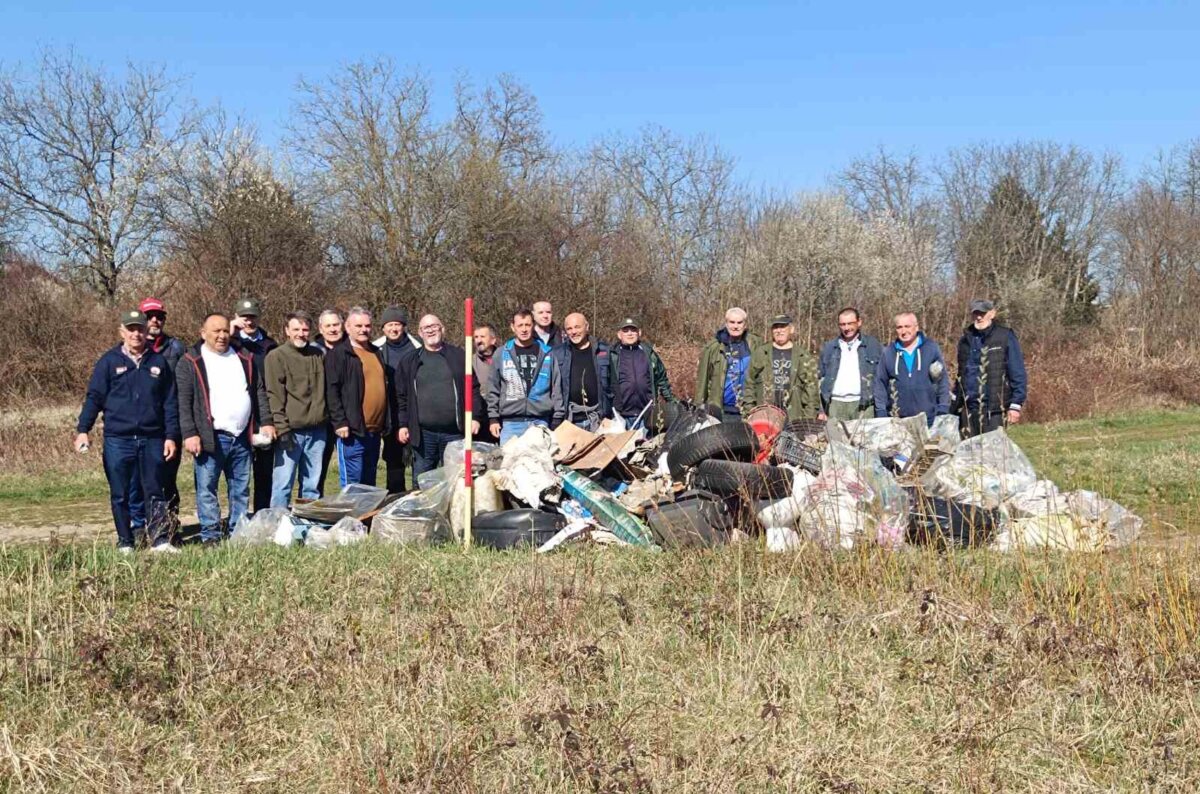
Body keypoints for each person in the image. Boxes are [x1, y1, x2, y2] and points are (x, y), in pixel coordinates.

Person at [75, 309, 180, 554]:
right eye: (131, 329)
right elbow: (94, 398)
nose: (136, 333)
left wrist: (171, 436)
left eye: (140, 329)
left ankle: (160, 540)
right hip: (118, 440)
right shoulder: (109, 361)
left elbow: (170, 403)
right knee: (120, 493)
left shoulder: (158, 362)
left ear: (147, 332)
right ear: (122, 331)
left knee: (155, 490)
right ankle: (125, 541)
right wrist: (83, 429)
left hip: (152, 438)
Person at [176, 313, 275, 545]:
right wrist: (190, 433)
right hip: (211, 436)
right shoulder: (191, 361)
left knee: (240, 488)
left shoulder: (244, 357)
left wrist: (267, 421)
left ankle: (237, 533)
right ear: (203, 334)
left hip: (241, 436)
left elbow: (258, 391)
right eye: (215, 331)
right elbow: (184, 401)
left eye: (224, 331)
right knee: (207, 489)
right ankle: (211, 535)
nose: (221, 336)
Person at [126, 297, 187, 536]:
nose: (155, 320)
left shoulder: (176, 348)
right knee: (136, 481)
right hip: (138, 426)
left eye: (159, 316)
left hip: (169, 425)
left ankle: (169, 526)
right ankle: (139, 527)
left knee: (167, 479)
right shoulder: (128, 350)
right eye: (150, 316)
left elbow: (183, 388)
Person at [395, 314, 482, 475]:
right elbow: (402, 397)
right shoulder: (410, 361)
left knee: (456, 478)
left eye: (434, 326)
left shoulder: (458, 356)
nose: (430, 331)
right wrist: (403, 425)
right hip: (423, 434)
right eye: (425, 328)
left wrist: (475, 417)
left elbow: (473, 389)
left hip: (455, 433)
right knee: (422, 481)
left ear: (442, 329)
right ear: (420, 333)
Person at [264, 312, 327, 508]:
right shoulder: (277, 356)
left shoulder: (318, 355)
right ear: (287, 331)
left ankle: (306, 524)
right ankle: (277, 525)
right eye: (296, 329)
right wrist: (281, 428)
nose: (301, 334)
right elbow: (274, 394)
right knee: (283, 483)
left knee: (311, 485)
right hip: (291, 430)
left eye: (305, 329)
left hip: (317, 431)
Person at [324, 307, 392, 487]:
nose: (363, 329)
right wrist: (340, 422)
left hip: (374, 431)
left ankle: (366, 516)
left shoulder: (376, 352)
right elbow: (332, 390)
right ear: (347, 327)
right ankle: (351, 516)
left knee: (369, 483)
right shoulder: (339, 354)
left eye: (367, 325)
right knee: (352, 484)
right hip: (352, 431)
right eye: (358, 325)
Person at [486, 308, 565, 445]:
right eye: (520, 325)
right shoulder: (501, 353)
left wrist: (558, 417)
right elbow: (493, 387)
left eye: (527, 325)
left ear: (533, 326)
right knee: (510, 464)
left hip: (540, 421)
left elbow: (556, 386)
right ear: (513, 327)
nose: (524, 329)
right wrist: (493, 417)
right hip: (511, 423)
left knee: (539, 464)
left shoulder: (547, 353)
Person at [229, 298, 278, 512]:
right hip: (237, 414)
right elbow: (200, 351)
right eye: (243, 317)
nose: (248, 321)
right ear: (236, 317)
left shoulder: (269, 345)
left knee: (264, 472)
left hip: (263, 414)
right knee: (237, 474)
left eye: (252, 316)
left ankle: (261, 514)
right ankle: (236, 519)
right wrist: (231, 332)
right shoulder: (228, 344)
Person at [955, 299, 1028, 437]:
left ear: (992, 314)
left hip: (994, 410)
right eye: (976, 313)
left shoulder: (1005, 336)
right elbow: (961, 374)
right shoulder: (965, 339)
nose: (979, 317)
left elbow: (1017, 371)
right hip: (969, 409)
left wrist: (1016, 404)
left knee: (993, 455)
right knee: (970, 454)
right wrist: (955, 403)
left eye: (982, 313)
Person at [873, 312, 950, 425]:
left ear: (916, 327)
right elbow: (880, 383)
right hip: (897, 418)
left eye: (907, 326)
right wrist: (881, 411)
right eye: (899, 327)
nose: (903, 331)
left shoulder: (931, 348)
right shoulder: (888, 352)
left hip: (928, 418)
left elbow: (942, 380)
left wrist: (943, 407)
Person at [746, 314, 819, 421]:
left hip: (794, 416)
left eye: (783, 326)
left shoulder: (803, 356)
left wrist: (808, 418)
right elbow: (749, 383)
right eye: (776, 327)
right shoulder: (761, 353)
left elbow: (812, 390)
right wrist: (750, 412)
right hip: (766, 415)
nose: (779, 330)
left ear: (791, 329)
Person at [378, 305, 419, 494]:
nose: (394, 329)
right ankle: (395, 499)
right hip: (390, 415)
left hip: (416, 412)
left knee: (420, 460)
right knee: (394, 463)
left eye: (397, 324)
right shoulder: (376, 349)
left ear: (404, 327)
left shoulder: (418, 347)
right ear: (383, 328)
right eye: (390, 324)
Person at [695, 307, 762, 421]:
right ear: (726, 323)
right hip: (720, 410)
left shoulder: (755, 344)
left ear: (745, 325)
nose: (735, 326)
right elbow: (702, 380)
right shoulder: (713, 347)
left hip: (748, 410)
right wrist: (699, 407)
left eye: (739, 322)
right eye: (732, 322)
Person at [817, 307, 884, 422]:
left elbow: (882, 378)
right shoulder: (829, 347)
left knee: (863, 439)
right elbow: (818, 379)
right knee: (836, 439)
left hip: (864, 406)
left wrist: (881, 408)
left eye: (850, 323)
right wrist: (821, 410)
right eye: (842, 324)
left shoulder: (873, 345)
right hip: (835, 406)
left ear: (859, 322)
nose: (846, 328)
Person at [550, 312, 611, 431]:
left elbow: (613, 385)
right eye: (569, 328)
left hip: (599, 420)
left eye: (577, 327)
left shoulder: (604, 351)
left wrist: (611, 414)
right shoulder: (557, 354)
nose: (573, 332)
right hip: (570, 421)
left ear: (587, 327)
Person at [609, 318, 673, 430]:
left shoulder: (649, 354)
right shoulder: (612, 356)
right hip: (622, 416)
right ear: (619, 335)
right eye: (626, 330)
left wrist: (672, 402)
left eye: (633, 330)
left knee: (647, 447)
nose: (629, 333)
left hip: (647, 415)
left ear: (639, 333)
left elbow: (662, 380)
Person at [313, 309, 343, 494]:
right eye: (328, 326)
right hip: (321, 418)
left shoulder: (353, 346)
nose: (332, 329)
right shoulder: (313, 350)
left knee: (351, 468)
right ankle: (316, 508)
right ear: (321, 328)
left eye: (336, 325)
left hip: (347, 418)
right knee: (317, 469)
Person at [472, 324, 500, 443]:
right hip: (482, 418)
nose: (478, 340)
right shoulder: (470, 362)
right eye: (476, 337)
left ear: (493, 340)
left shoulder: (504, 358)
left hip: (502, 416)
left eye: (482, 336)